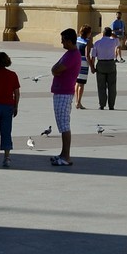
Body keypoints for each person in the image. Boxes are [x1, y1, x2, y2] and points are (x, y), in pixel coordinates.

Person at [50, 28, 80, 168]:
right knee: (62, 125)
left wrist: (55, 70)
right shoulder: (69, 54)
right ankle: (63, 154)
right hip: (61, 92)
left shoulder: (72, 55)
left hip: (64, 93)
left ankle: (66, 156)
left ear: (69, 40)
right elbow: (55, 68)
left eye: (63, 40)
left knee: (64, 126)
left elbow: (55, 69)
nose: (61, 42)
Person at [91, 26, 119, 110]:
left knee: (101, 86)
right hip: (111, 63)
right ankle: (111, 105)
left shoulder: (97, 43)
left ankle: (102, 104)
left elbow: (93, 57)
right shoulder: (113, 41)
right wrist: (112, 34)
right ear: (110, 34)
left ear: (103, 33)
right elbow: (117, 38)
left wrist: (92, 67)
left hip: (101, 64)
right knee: (112, 86)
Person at [74, 25, 93, 110]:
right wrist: (92, 66)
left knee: (77, 82)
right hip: (83, 63)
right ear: (88, 33)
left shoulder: (77, 39)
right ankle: (79, 102)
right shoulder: (87, 42)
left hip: (76, 61)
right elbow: (87, 55)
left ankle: (76, 101)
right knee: (81, 83)